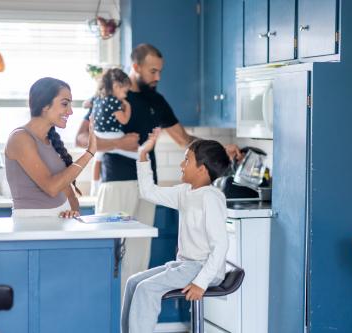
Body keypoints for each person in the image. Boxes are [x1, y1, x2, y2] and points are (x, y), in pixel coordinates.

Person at [75, 44, 241, 293]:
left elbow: (184, 139)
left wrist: (218, 149)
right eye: (153, 71)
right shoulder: (112, 93)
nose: (158, 77)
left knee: (138, 260)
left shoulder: (156, 100)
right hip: (117, 183)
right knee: (111, 259)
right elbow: (80, 139)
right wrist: (120, 143)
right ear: (136, 67)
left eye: (160, 71)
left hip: (146, 186)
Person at [121, 130, 230, 333]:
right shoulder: (185, 192)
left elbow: (221, 244)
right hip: (185, 265)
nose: (181, 165)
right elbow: (148, 192)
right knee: (133, 282)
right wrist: (143, 155)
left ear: (202, 170)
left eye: (186, 160)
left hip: (203, 268)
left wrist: (201, 283)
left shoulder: (210, 198)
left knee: (146, 288)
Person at [5, 77, 97, 218]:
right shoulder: (20, 138)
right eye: (65, 104)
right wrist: (89, 153)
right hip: (31, 226)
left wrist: (73, 213)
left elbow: (69, 194)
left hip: (58, 225)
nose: (70, 111)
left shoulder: (51, 142)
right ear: (44, 105)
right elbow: (52, 187)